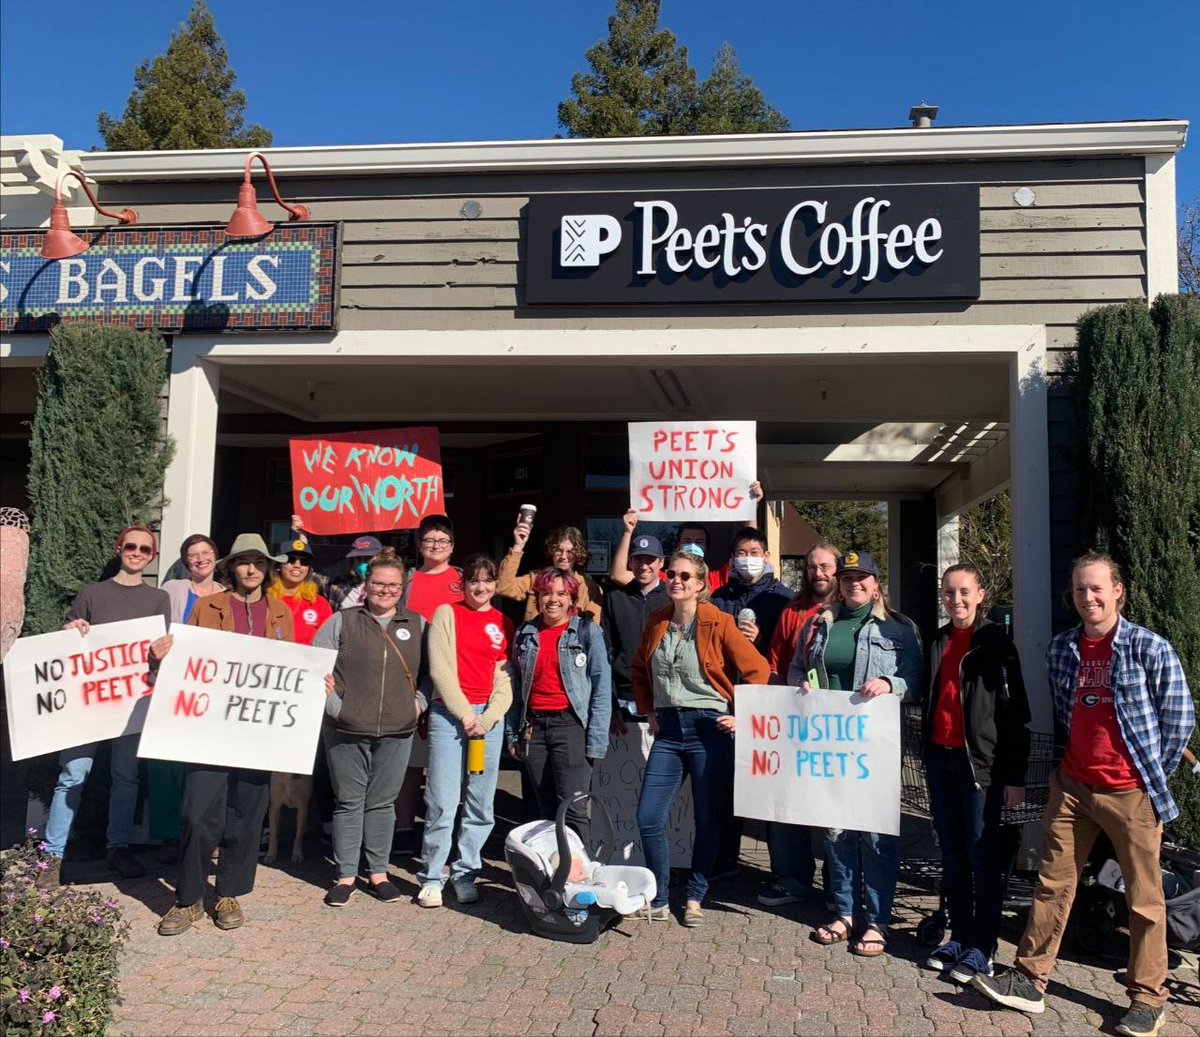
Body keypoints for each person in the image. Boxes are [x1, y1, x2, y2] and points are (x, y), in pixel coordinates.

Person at [974, 553, 1194, 1037]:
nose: (1087, 598)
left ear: (1119, 591)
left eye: (1096, 589)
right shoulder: (1062, 650)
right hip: (1072, 787)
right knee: (1053, 884)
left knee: (1144, 898)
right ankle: (1030, 979)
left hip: (1131, 793)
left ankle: (1148, 997)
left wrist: (1147, 773)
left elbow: (1179, 719)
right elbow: (1065, 712)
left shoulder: (1149, 648)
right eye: (1079, 590)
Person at [157, 534, 297, 935]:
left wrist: (311, 684)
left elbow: (289, 669)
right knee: (197, 813)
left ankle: (229, 892)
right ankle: (187, 899)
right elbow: (189, 660)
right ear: (231, 568)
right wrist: (168, 652)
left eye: (258, 562)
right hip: (209, 728)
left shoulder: (281, 612)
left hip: (256, 732)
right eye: (242, 562)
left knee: (246, 814)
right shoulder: (206, 606)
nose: (251, 569)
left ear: (267, 568)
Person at [789, 549, 922, 959]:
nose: (854, 583)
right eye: (847, 577)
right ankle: (845, 913)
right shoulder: (817, 624)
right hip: (832, 744)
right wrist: (803, 685)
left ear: (876, 582)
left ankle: (877, 919)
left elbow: (917, 679)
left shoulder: (899, 628)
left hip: (875, 748)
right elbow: (796, 667)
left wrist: (889, 683)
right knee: (835, 832)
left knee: (877, 835)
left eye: (862, 576)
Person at [632, 551, 770, 926]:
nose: (676, 580)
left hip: (708, 728)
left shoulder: (718, 622)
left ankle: (695, 896)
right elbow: (639, 668)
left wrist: (741, 716)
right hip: (669, 730)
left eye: (685, 576)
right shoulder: (657, 621)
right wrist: (648, 710)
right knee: (648, 817)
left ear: (700, 585)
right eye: (672, 574)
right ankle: (659, 896)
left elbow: (758, 669)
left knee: (708, 820)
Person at [36, 525, 172, 891]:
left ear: (152, 557)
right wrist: (72, 627)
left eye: (145, 549)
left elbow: (163, 651)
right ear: (118, 549)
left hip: (133, 702)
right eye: (131, 546)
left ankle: (118, 848)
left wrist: (163, 653)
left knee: (126, 779)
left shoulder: (158, 599)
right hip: (87, 704)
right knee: (72, 776)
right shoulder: (92, 593)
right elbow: (68, 639)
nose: (137, 552)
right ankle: (52, 856)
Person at [921, 563, 1031, 985]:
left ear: (981, 595)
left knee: (983, 858)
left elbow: (1016, 713)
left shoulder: (996, 643)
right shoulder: (938, 640)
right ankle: (960, 935)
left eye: (965, 592)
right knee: (952, 855)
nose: (957, 600)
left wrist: (1014, 777)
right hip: (939, 760)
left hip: (979, 768)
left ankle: (983, 947)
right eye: (949, 593)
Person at [312, 546, 427, 908]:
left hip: (397, 729)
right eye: (379, 583)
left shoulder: (418, 625)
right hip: (346, 729)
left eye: (393, 585)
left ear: (403, 585)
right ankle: (346, 874)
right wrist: (336, 709)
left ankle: (378, 871)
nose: (386, 590)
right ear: (367, 584)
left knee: (382, 803)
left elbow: (431, 675)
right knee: (349, 803)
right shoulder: (342, 621)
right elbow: (318, 669)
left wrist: (417, 705)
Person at [416, 554, 515, 908]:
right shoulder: (447, 613)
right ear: (464, 583)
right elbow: (440, 669)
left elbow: (504, 677)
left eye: (488, 581)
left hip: (486, 721)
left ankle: (465, 871)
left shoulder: (503, 621)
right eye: (474, 580)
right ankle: (431, 875)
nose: (481, 587)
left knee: (480, 800)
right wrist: (465, 716)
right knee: (442, 801)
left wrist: (486, 719)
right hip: (449, 716)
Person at [757, 541, 841, 910]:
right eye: (811, 567)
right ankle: (792, 879)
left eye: (825, 566)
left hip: (839, 730)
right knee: (787, 806)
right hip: (794, 723)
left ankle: (841, 887)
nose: (818, 573)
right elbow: (775, 663)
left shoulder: (851, 611)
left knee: (837, 810)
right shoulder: (792, 611)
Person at [709, 526, 793, 878]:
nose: (749, 559)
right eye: (742, 553)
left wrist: (759, 643)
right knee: (726, 785)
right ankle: (725, 862)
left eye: (755, 553)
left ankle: (782, 870)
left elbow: (787, 650)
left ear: (767, 558)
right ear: (731, 560)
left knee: (772, 788)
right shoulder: (718, 598)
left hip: (767, 704)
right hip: (728, 701)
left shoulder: (782, 599)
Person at [507, 568, 611, 846]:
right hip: (534, 728)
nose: (553, 599)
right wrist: (512, 733)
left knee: (574, 808)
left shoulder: (588, 633)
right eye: (546, 593)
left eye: (561, 593)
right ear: (538, 598)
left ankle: (579, 876)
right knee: (544, 811)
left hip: (570, 727)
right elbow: (515, 690)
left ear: (572, 599)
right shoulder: (525, 634)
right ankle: (552, 873)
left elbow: (602, 688)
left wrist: (596, 740)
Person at [392, 514, 465, 856]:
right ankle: (405, 827)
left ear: (452, 546)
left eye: (442, 541)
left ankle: (447, 830)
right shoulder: (406, 579)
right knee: (411, 758)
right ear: (420, 545)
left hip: (453, 676)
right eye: (429, 541)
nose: (436, 546)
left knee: (448, 760)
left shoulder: (462, 580)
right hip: (412, 674)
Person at [153, 533, 226, 863]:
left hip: (212, 689)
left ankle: (205, 837)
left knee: (206, 765)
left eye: (206, 552)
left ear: (215, 556)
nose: (200, 558)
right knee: (166, 764)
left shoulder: (227, 595)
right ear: (185, 562)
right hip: (174, 685)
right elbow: (151, 628)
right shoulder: (172, 591)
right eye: (193, 554)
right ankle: (170, 837)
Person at [601, 532, 669, 727]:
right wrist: (612, 705)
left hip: (663, 700)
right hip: (623, 700)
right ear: (630, 562)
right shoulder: (615, 597)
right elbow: (607, 651)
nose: (644, 566)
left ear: (661, 563)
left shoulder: (672, 599)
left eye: (650, 560)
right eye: (638, 559)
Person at [499, 523, 603, 624]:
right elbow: (503, 587)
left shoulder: (589, 588)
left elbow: (592, 628)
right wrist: (518, 545)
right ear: (551, 551)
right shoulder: (536, 578)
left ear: (578, 554)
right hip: (535, 639)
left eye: (570, 552)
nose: (563, 556)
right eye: (558, 550)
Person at [266, 537, 333, 646]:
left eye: (304, 562)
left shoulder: (320, 604)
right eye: (290, 560)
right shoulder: (264, 599)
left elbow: (328, 643)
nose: (297, 565)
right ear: (278, 565)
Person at [329, 535, 382, 611]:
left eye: (367, 558)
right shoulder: (339, 585)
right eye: (358, 558)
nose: (362, 563)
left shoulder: (392, 588)